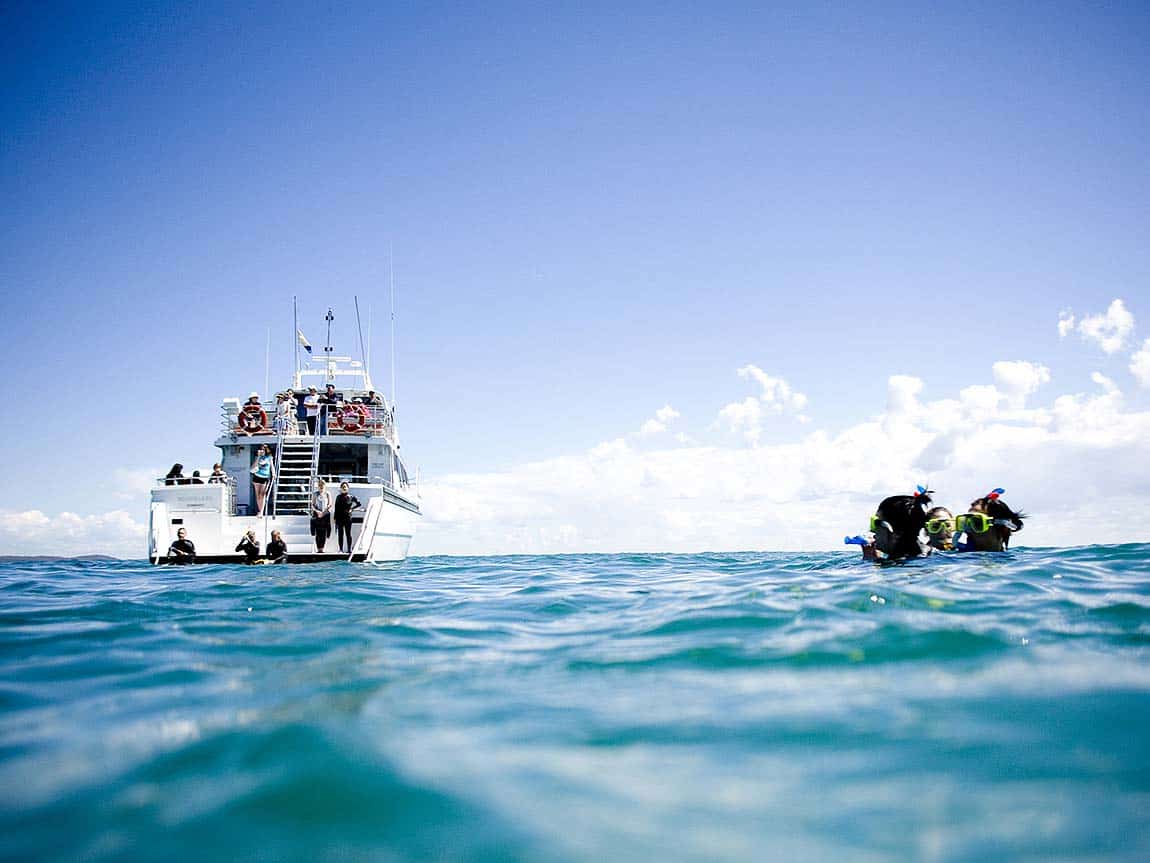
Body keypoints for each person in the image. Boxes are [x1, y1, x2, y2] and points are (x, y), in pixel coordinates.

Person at [334, 482, 362, 553]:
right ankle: (340, 549)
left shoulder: (351, 497)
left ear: (348, 488)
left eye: (345, 486)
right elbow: (336, 508)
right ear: (341, 488)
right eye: (343, 487)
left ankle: (349, 549)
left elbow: (359, 504)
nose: (344, 488)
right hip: (339, 518)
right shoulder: (338, 497)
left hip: (347, 518)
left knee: (348, 534)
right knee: (340, 534)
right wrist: (335, 518)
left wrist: (352, 509)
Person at [250, 444, 275, 516]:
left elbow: (272, 466)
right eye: (261, 449)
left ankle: (261, 511)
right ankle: (259, 510)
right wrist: (258, 456)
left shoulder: (269, 457)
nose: (262, 450)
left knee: (263, 494)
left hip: (265, 477)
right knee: (258, 495)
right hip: (257, 476)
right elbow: (253, 466)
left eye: (264, 449)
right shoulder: (257, 457)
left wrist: (273, 473)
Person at [310, 478, 333, 552]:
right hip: (318, 514)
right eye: (320, 485)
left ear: (325, 486)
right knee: (318, 532)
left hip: (325, 514)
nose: (321, 486)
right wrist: (317, 512)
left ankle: (322, 548)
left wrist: (324, 512)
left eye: (322, 485)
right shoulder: (315, 494)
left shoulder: (327, 493)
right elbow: (312, 505)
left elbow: (330, 504)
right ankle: (318, 548)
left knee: (324, 532)